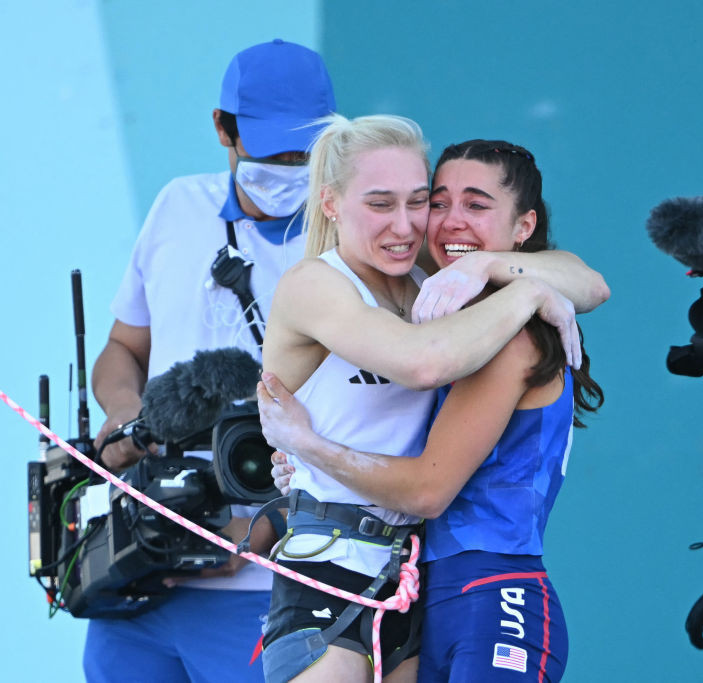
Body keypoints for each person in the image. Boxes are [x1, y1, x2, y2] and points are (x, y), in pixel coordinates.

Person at [255, 122, 607, 683]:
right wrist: (524, 286)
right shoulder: (318, 283)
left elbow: (589, 282)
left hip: (426, 581)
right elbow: (423, 365)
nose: (408, 224)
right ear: (331, 202)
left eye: (417, 202)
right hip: (336, 567)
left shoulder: (435, 284)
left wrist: (497, 271)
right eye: (381, 203)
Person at [84, 39, 336, 682]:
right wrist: (126, 415)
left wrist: (257, 534)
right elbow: (122, 349)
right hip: (139, 579)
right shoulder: (176, 206)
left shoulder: (353, 244)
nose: (287, 165)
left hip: (272, 592)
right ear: (222, 128)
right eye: (270, 148)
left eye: (302, 152)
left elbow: (371, 424)